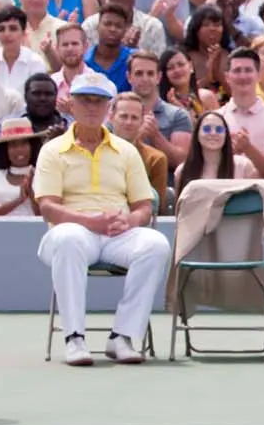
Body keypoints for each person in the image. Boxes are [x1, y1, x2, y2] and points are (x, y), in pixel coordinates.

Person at [33, 71, 172, 366]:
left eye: (99, 102)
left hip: (118, 234)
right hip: (72, 232)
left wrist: (130, 222)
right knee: (69, 238)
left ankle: (122, 336)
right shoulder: (52, 150)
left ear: (108, 108)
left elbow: (144, 206)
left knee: (156, 244)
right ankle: (74, 338)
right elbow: (48, 207)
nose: (92, 107)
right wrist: (88, 221)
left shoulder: (127, 151)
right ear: (71, 104)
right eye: (85, 100)